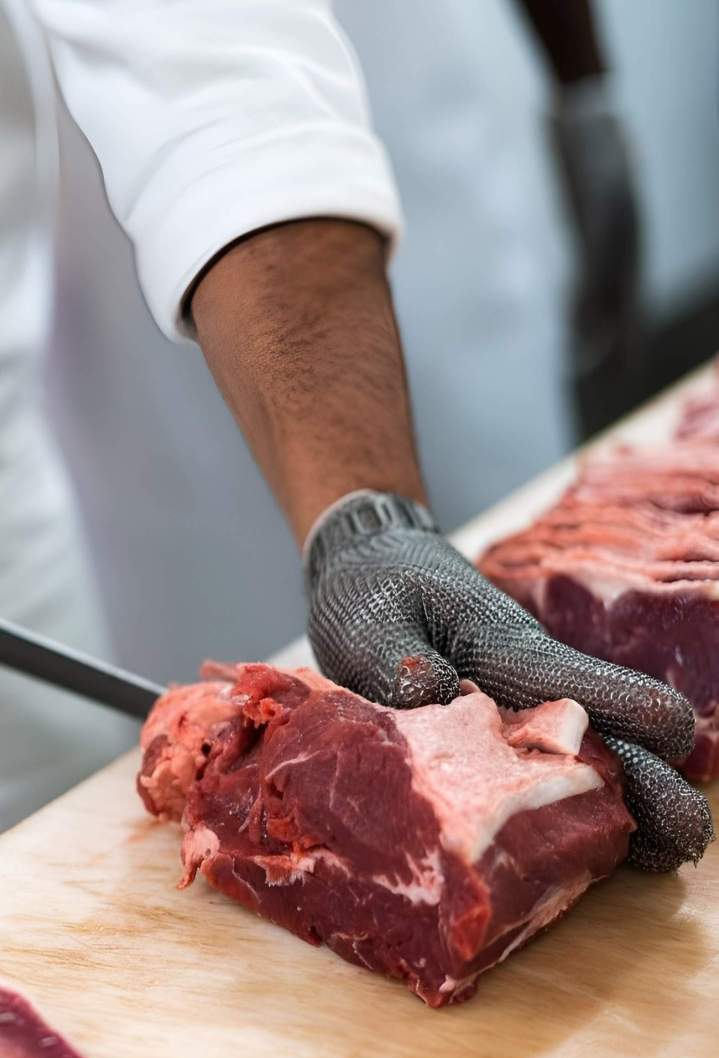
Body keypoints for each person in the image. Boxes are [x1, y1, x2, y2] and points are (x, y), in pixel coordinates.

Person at [0, 0, 710, 865]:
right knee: (72, 833)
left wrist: (362, 522)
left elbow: (215, 75)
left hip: (363, 179)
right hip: (68, 405)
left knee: (495, 578)